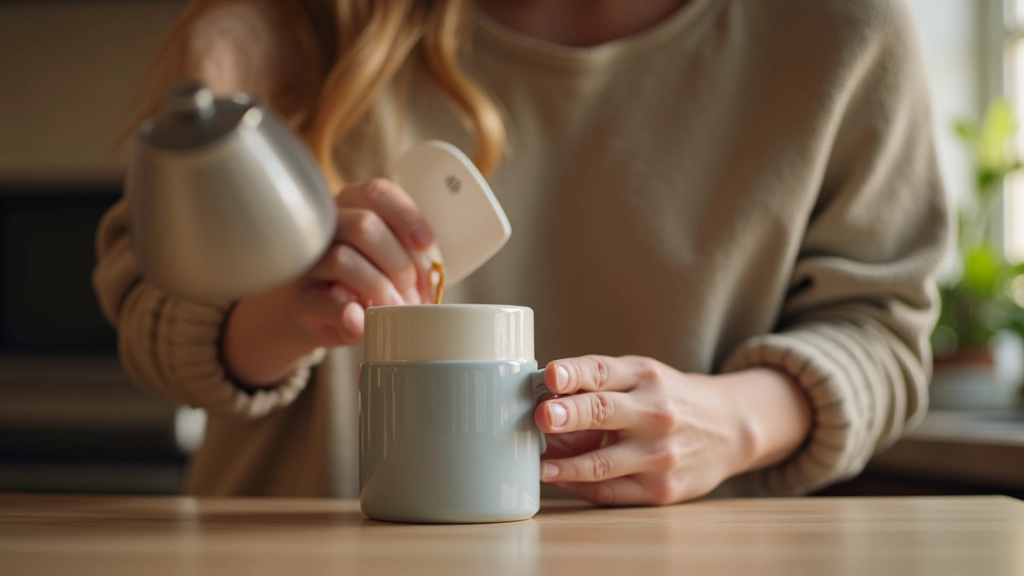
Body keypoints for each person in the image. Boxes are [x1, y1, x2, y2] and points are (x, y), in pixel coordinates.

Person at [94, 0, 950, 504]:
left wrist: (729, 422)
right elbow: (149, 314)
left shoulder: (841, 33)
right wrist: (285, 310)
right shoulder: (298, 25)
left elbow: (881, 330)